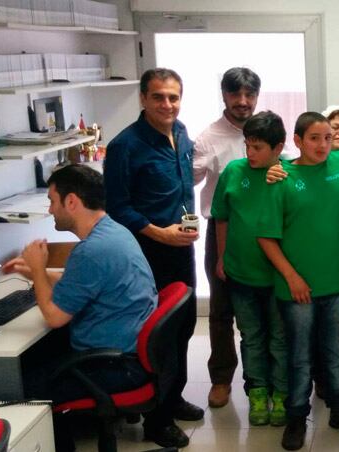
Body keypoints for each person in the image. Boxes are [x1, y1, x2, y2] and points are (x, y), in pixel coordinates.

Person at [3, 165, 158, 450]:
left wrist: (39, 271)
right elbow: (82, 279)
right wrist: (35, 272)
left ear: (71, 201)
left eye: (52, 200)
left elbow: (54, 317)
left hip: (114, 365)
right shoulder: (113, 231)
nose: (50, 210)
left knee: (21, 386)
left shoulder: (91, 251)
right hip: (131, 351)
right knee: (37, 357)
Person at [104, 68, 203, 446]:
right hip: (147, 254)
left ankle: (171, 397)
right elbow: (117, 207)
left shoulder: (180, 133)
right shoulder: (124, 146)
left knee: (184, 327)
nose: (167, 104)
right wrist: (158, 232)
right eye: (159, 97)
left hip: (182, 248)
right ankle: (156, 421)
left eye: (173, 97)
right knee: (159, 336)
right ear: (143, 99)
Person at [257, 112, 339, 450]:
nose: (322, 144)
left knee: (335, 353)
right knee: (300, 357)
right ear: (298, 140)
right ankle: (296, 416)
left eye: (327, 137)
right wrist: (292, 278)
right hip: (297, 290)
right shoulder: (281, 178)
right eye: (314, 138)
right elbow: (266, 237)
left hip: (338, 283)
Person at [210, 111, 288, 427]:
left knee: (279, 339)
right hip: (240, 274)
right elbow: (221, 217)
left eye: (258, 148)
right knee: (251, 337)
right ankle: (257, 392)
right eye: (247, 146)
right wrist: (221, 257)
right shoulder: (233, 171)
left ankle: (281, 394)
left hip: (276, 278)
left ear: (278, 148)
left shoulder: (288, 173)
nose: (250, 153)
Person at [194, 67, 261, 408]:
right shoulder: (209, 137)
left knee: (263, 310)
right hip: (222, 230)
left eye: (249, 95)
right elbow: (187, 180)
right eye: (236, 95)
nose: (243, 102)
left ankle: (263, 377)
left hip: (263, 233)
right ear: (224, 96)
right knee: (221, 311)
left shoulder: (265, 129)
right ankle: (221, 378)